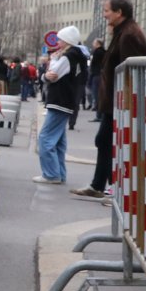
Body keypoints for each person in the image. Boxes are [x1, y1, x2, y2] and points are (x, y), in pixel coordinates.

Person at [72, 0, 146, 199]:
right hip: (115, 101)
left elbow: (131, 72)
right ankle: (101, 186)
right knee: (105, 141)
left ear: (119, 12)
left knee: (111, 143)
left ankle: (113, 189)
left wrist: (124, 101)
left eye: (107, 11)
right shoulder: (123, 32)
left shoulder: (129, 35)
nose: (104, 15)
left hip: (121, 101)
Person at [33, 25, 87, 185]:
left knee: (45, 138)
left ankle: (51, 174)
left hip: (59, 100)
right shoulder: (78, 55)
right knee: (58, 140)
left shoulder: (67, 56)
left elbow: (53, 74)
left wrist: (45, 74)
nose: (57, 42)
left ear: (67, 41)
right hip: (68, 100)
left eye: (60, 39)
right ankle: (59, 173)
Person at [86, 38, 105, 114]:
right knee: (97, 92)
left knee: (95, 92)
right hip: (100, 74)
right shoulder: (103, 51)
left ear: (98, 44)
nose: (93, 44)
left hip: (96, 74)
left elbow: (94, 64)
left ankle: (97, 108)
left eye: (94, 43)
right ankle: (97, 108)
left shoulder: (97, 52)